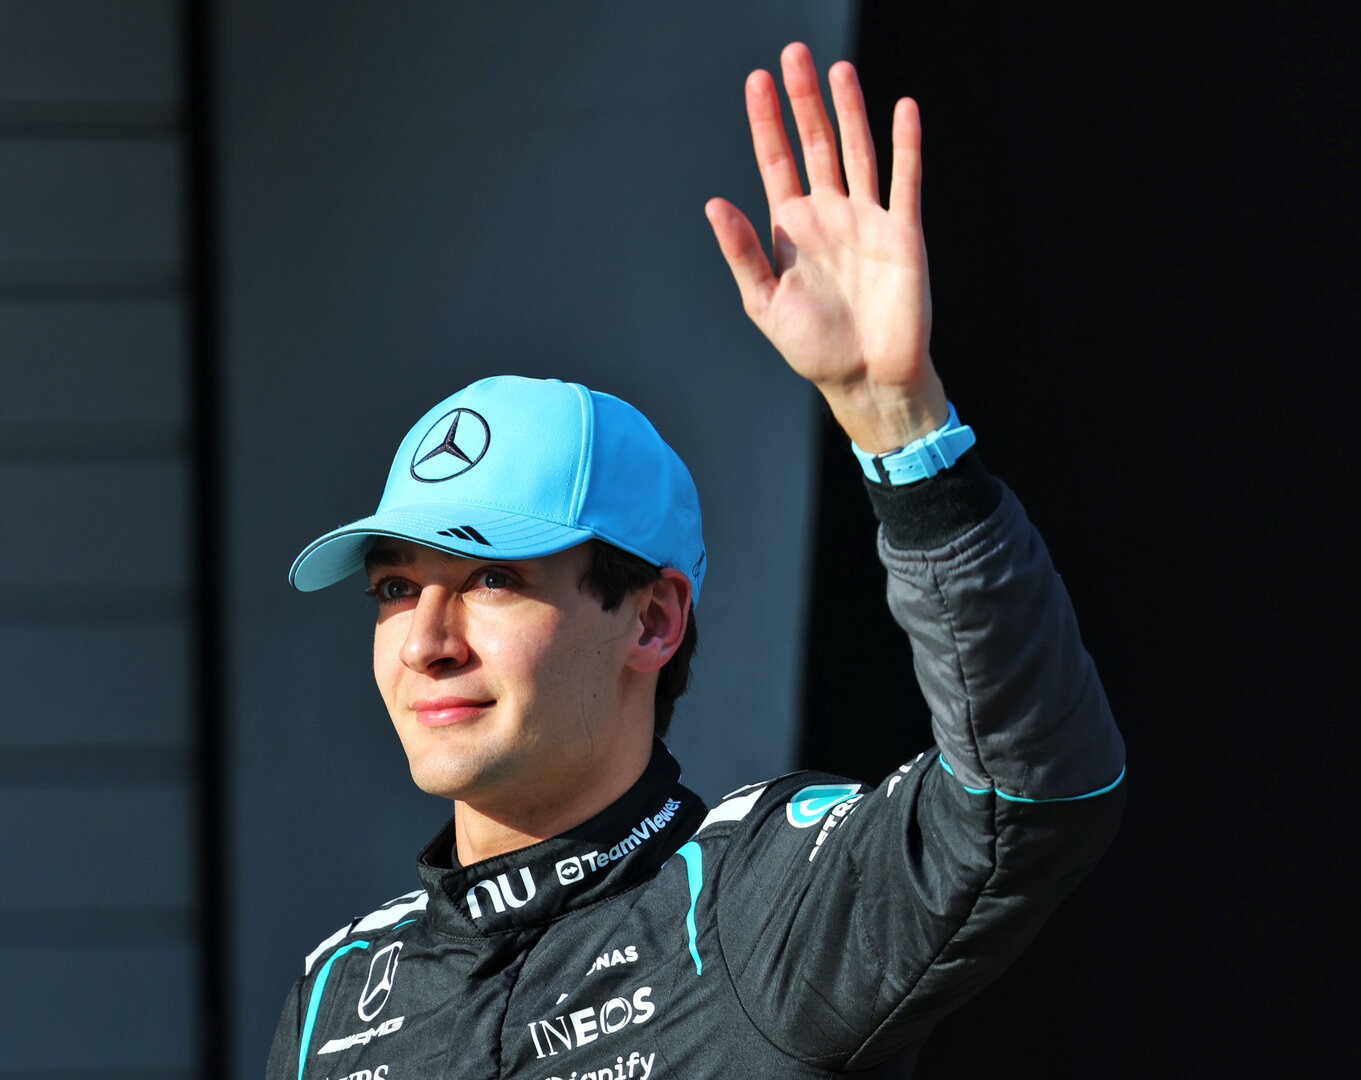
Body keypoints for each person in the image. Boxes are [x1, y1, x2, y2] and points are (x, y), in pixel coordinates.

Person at [268, 42, 1125, 1080]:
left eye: (493, 578)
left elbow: (1026, 795)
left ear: (653, 620)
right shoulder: (335, 1000)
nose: (426, 642)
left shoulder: (760, 908)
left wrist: (902, 427)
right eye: (397, 589)